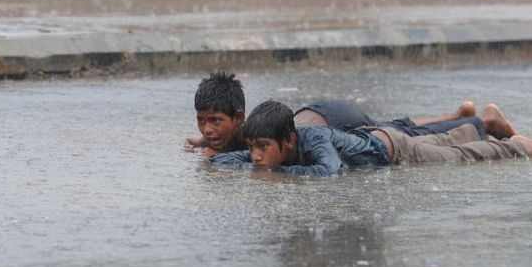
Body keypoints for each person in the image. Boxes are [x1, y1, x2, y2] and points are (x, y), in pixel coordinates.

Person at [188, 72, 512, 157]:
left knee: (401, 137)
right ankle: (460, 114)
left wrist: (213, 149)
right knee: (393, 126)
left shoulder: (253, 138)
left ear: (240, 118)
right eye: (203, 121)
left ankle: (483, 123)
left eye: (216, 121)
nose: (208, 128)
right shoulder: (236, 133)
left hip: (334, 119)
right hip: (320, 113)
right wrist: (209, 140)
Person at [210, 100, 532, 176]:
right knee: (445, 141)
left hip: (393, 150)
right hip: (384, 139)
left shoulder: (313, 140)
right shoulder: (271, 149)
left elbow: (328, 171)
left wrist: (275, 173)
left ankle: (515, 146)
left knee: (460, 156)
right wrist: (221, 160)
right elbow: (236, 158)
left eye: (262, 148)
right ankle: (477, 123)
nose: (255, 155)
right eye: (253, 147)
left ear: (288, 141)